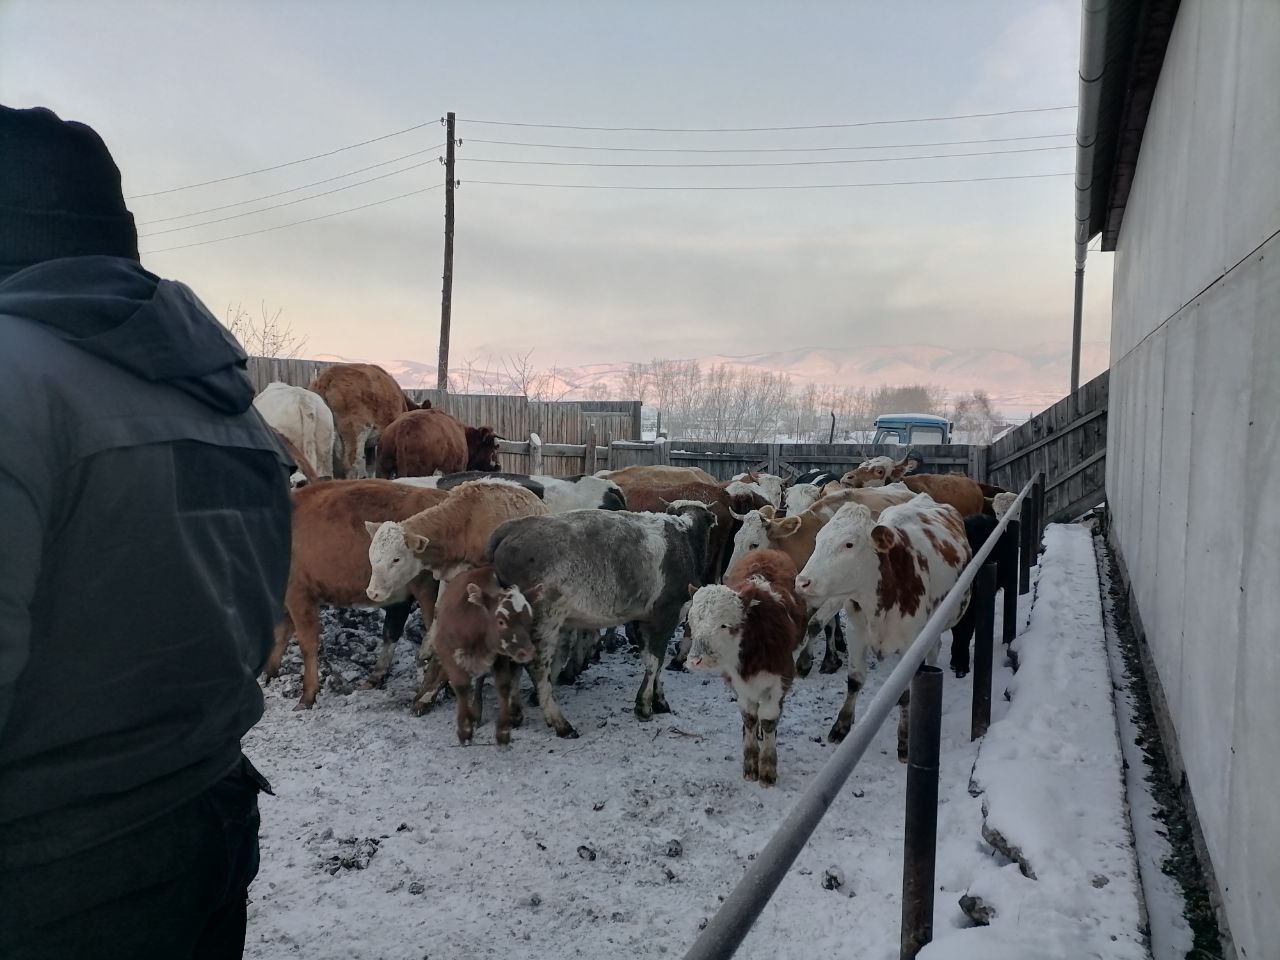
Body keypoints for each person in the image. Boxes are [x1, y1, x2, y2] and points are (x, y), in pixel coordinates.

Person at [0, 104, 292, 959]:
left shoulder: (14, 384)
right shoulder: (228, 404)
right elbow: (247, 620)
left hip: (44, 883)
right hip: (204, 834)